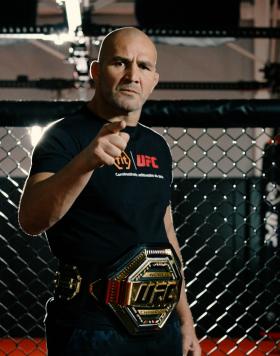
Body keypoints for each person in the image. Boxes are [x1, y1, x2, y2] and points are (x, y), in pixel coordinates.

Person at [18, 27, 201, 356]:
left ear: (154, 80)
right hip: (91, 326)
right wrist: (86, 161)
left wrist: (185, 322)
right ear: (96, 71)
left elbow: (165, 233)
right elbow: (31, 219)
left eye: (143, 66)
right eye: (120, 62)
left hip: (160, 326)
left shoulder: (157, 147)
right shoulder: (62, 137)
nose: (133, 75)